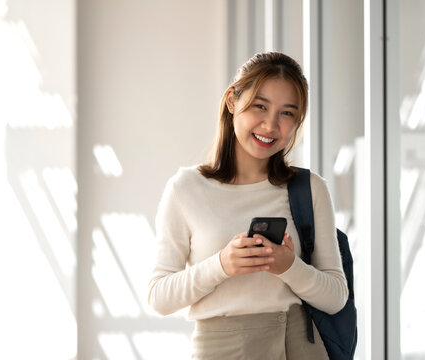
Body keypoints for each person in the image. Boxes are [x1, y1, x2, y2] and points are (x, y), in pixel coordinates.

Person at [148, 52, 348, 360]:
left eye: (287, 113)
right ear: (232, 101)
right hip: (222, 348)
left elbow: (336, 297)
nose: (270, 125)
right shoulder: (187, 188)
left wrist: (288, 266)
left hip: (301, 345)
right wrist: (222, 265)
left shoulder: (310, 189)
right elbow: (159, 297)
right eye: (260, 106)